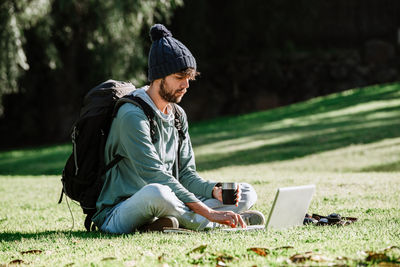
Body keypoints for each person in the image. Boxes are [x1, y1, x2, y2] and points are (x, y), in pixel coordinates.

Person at [92, 24, 265, 234]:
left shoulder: (177, 115)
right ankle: (208, 222)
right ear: (158, 77)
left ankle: (170, 223)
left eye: (189, 78)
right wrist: (210, 213)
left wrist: (214, 191)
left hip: (168, 203)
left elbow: (186, 175)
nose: (186, 85)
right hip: (120, 210)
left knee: (247, 192)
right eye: (179, 78)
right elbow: (155, 175)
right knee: (157, 193)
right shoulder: (131, 115)